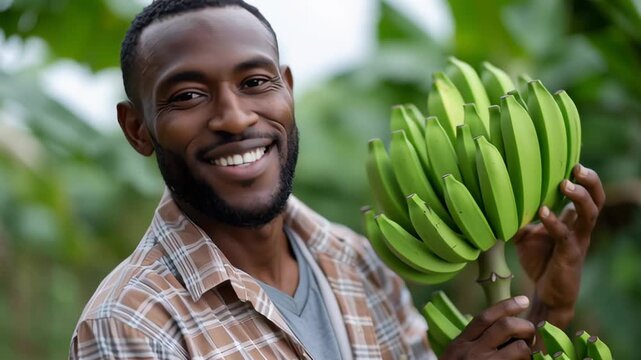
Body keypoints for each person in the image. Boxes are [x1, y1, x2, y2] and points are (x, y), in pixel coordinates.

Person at [69, 0, 606, 359]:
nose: (234, 117)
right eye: (187, 95)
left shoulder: (360, 264)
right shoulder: (131, 321)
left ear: (288, 90)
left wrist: (546, 308)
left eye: (256, 82)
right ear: (138, 128)